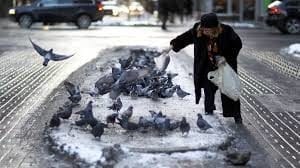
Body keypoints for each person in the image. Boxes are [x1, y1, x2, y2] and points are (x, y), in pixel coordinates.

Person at [163, 13, 243, 124]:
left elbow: (237, 44)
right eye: (203, 29)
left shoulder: (227, 31)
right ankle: (209, 111)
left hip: (224, 65)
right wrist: (171, 46)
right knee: (208, 88)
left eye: (208, 30)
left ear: (215, 28)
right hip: (207, 65)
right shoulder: (197, 31)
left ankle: (236, 115)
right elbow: (185, 38)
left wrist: (226, 57)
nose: (205, 32)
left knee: (229, 89)